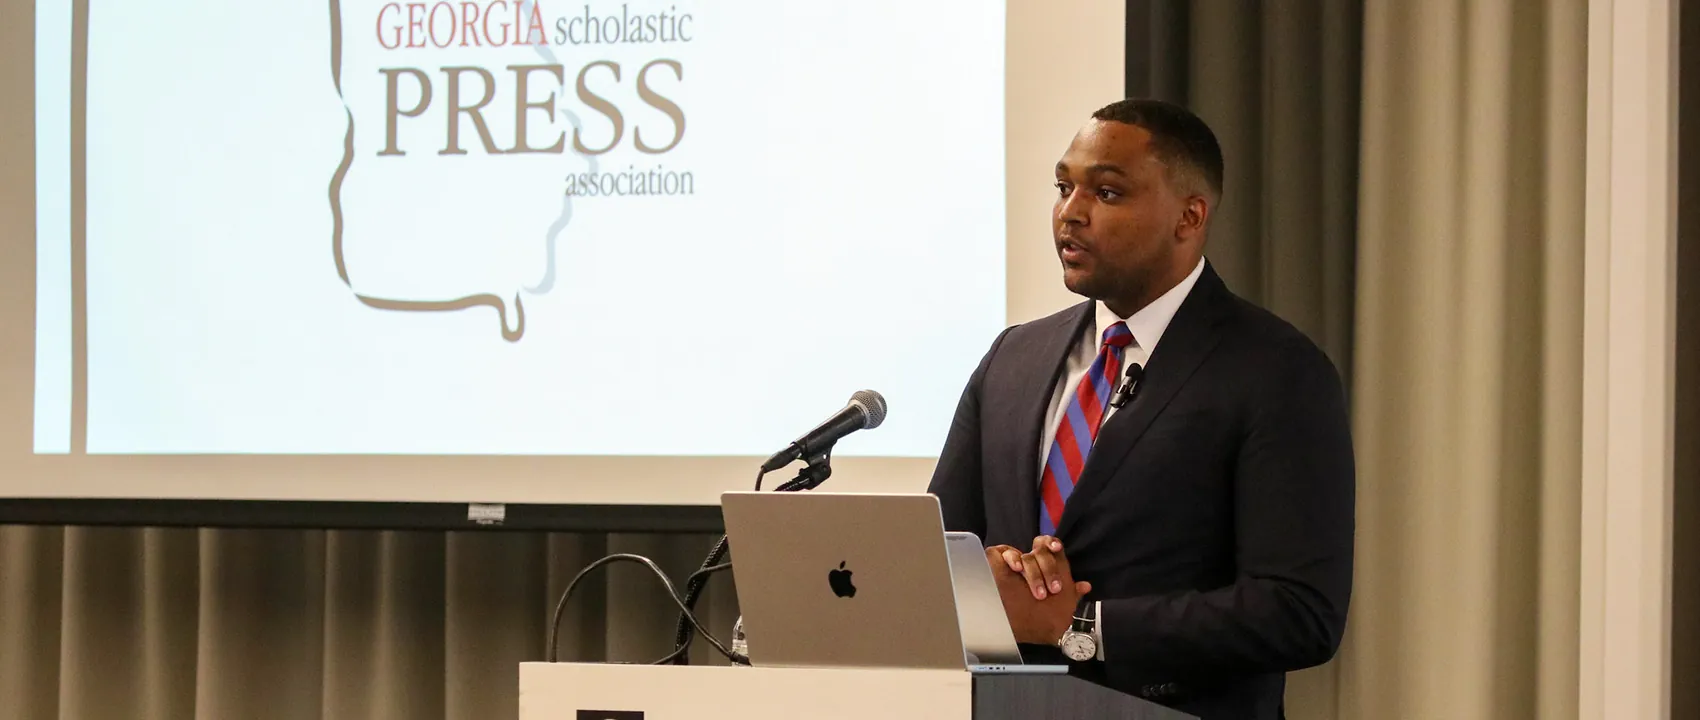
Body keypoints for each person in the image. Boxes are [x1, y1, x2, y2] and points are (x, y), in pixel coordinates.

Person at [926, 98, 1355, 720]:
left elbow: (1300, 611)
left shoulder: (1277, 371)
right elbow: (938, 548)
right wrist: (983, 575)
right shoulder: (1013, 358)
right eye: (1063, 187)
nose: (1070, 214)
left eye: (1106, 192)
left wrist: (1082, 624)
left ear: (1190, 215)